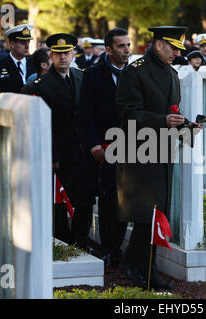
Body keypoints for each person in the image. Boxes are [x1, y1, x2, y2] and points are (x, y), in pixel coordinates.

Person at [116, 25, 202, 290]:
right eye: (173, 48)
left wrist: (187, 126)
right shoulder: (135, 72)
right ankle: (139, 268)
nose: (177, 53)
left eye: (179, 49)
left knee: (156, 216)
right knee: (145, 216)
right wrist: (162, 121)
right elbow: (128, 114)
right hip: (139, 153)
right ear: (159, 44)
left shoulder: (172, 73)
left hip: (163, 153)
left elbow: (170, 112)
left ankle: (143, 267)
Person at [22, 33, 98, 251]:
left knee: (84, 199)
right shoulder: (41, 85)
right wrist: (52, 155)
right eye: (57, 54)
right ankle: (62, 242)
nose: (62, 58)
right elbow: (41, 124)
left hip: (82, 149)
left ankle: (80, 241)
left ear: (74, 54)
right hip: (59, 151)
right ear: (51, 56)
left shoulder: (81, 76)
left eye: (66, 53)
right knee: (59, 200)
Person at [81, 28, 130, 269]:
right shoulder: (92, 75)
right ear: (108, 49)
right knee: (109, 197)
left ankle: (118, 246)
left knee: (125, 198)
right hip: (105, 146)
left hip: (133, 146)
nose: (127, 50)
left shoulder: (134, 73)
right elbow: (86, 114)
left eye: (128, 45)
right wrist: (93, 144)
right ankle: (107, 247)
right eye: (121, 46)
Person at [0, 24, 36, 96]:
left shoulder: (34, 63)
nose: (27, 46)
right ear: (12, 44)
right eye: (22, 43)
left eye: (28, 42)